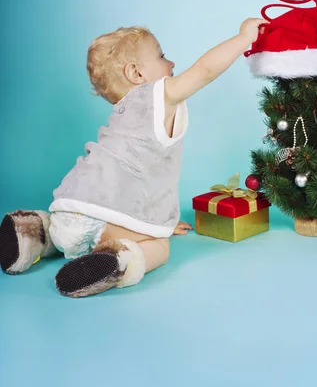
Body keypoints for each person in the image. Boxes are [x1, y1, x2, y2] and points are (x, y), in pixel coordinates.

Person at [0, 18, 265, 297]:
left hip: (69, 205)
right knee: (160, 246)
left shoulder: (126, 112)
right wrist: (243, 38)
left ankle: (33, 232)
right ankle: (118, 262)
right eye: (162, 56)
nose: (172, 63)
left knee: (66, 232)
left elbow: (134, 175)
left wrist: (157, 217)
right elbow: (204, 70)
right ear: (136, 73)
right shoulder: (158, 95)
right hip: (108, 221)